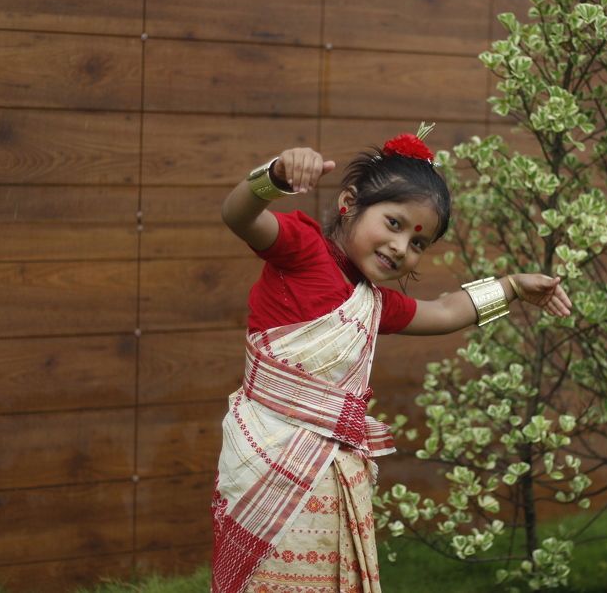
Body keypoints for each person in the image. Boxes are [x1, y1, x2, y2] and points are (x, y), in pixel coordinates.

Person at [212, 126, 572, 593]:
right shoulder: (302, 250)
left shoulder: (373, 302)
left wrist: (513, 287)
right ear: (349, 203)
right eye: (394, 224)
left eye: (419, 243)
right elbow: (237, 216)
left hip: (330, 475)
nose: (402, 247)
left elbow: (444, 311)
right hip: (265, 459)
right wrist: (274, 176)